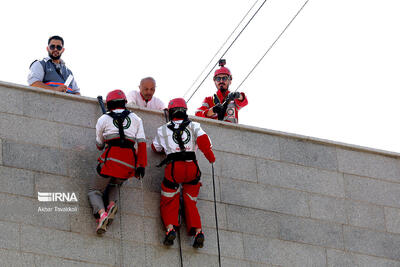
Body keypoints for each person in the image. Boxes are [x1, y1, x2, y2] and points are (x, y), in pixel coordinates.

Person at [152, 98, 215, 248]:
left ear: (170, 112)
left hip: (174, 168)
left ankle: (170, 229)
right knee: (190, 200)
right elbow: (206, 143)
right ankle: (198, 232)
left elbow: (155, 148)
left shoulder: (162, 129)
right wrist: (211, 158)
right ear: (185, 111)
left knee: (168, 198)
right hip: (192, 167)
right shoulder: (195, 126)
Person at [88, 89, 147, 234]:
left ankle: (102, 214)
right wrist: (141, 166)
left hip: (111, 160)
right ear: (125, 102)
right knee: (115, 183)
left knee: (94, 191)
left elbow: (99, 145)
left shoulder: (103, 119)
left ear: (109, 104)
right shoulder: (137, 119)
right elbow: (142, 143)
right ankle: (112, 204)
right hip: (129, 164)